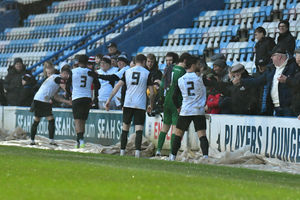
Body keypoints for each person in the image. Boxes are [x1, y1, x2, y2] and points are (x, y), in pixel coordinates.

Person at [105, 54, 154, 158]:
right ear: (144, 62)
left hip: (128, 103)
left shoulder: (127, 72)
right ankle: (137, 153)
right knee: (139, 129)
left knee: (125, 128)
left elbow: (117, 86)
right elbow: (152, 92)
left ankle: (122, 151)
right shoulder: (147, 73)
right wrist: (151, 104)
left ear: (135, 61)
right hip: (140, 104)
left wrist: (109, 99)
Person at [237, 47, 298, 116]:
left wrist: (287, 80)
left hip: (289, 108)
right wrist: (241, 81)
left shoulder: (293, 67)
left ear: (280, 56)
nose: (271, 58)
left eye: (273, 56)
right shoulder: (271, 69)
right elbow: (258, 81)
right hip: (274, 108)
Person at [170, 56, 208, 161]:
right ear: (192, 65)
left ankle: (172, 157)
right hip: (198, 110)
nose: (198, 66)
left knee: (178, 134)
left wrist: (178, 107)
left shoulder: (181, 79)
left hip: (185, 110)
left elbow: (174, 96)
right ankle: (206, 157)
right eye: (197, 64)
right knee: (202, 135)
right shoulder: (200, 78)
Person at [155, 53, 191, 156]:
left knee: (165, 127)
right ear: (184, 61)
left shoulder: (169, 69)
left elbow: (162, 86)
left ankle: (158, 150)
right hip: (176, 102)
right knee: (175, 129)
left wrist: (161, 98)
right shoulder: (183, 72)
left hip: (167, 101)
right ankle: (172, 153)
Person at [30, 66, 72, 145]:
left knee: (39, 120)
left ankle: (33, 140)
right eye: (65, 74)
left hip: (41, 100)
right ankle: (48, 140)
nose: (67, 76)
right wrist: (71, 94)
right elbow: (63, 85)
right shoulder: (57, 78)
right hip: (41, 100)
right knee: (45, 120)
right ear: (61, 73)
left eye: (68, 74)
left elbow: (55, 96)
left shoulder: (55, 81)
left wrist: (67, 101)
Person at [71, 55, 100, 148]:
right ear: (87, 62)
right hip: (87, 97)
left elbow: (67, 85)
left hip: (76, 97)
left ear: (78, 62)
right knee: (83, 120)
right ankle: (79, 140)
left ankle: (80, 140)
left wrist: (68, 93)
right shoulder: (90, 72)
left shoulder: (73, 71)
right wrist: (95, 97)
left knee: (77, 120)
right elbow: (98, 85)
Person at [277, 48, 300, 118]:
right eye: (297, 60)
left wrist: (287, 80)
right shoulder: (296, 70)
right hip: (294, 107)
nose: (298, 63)